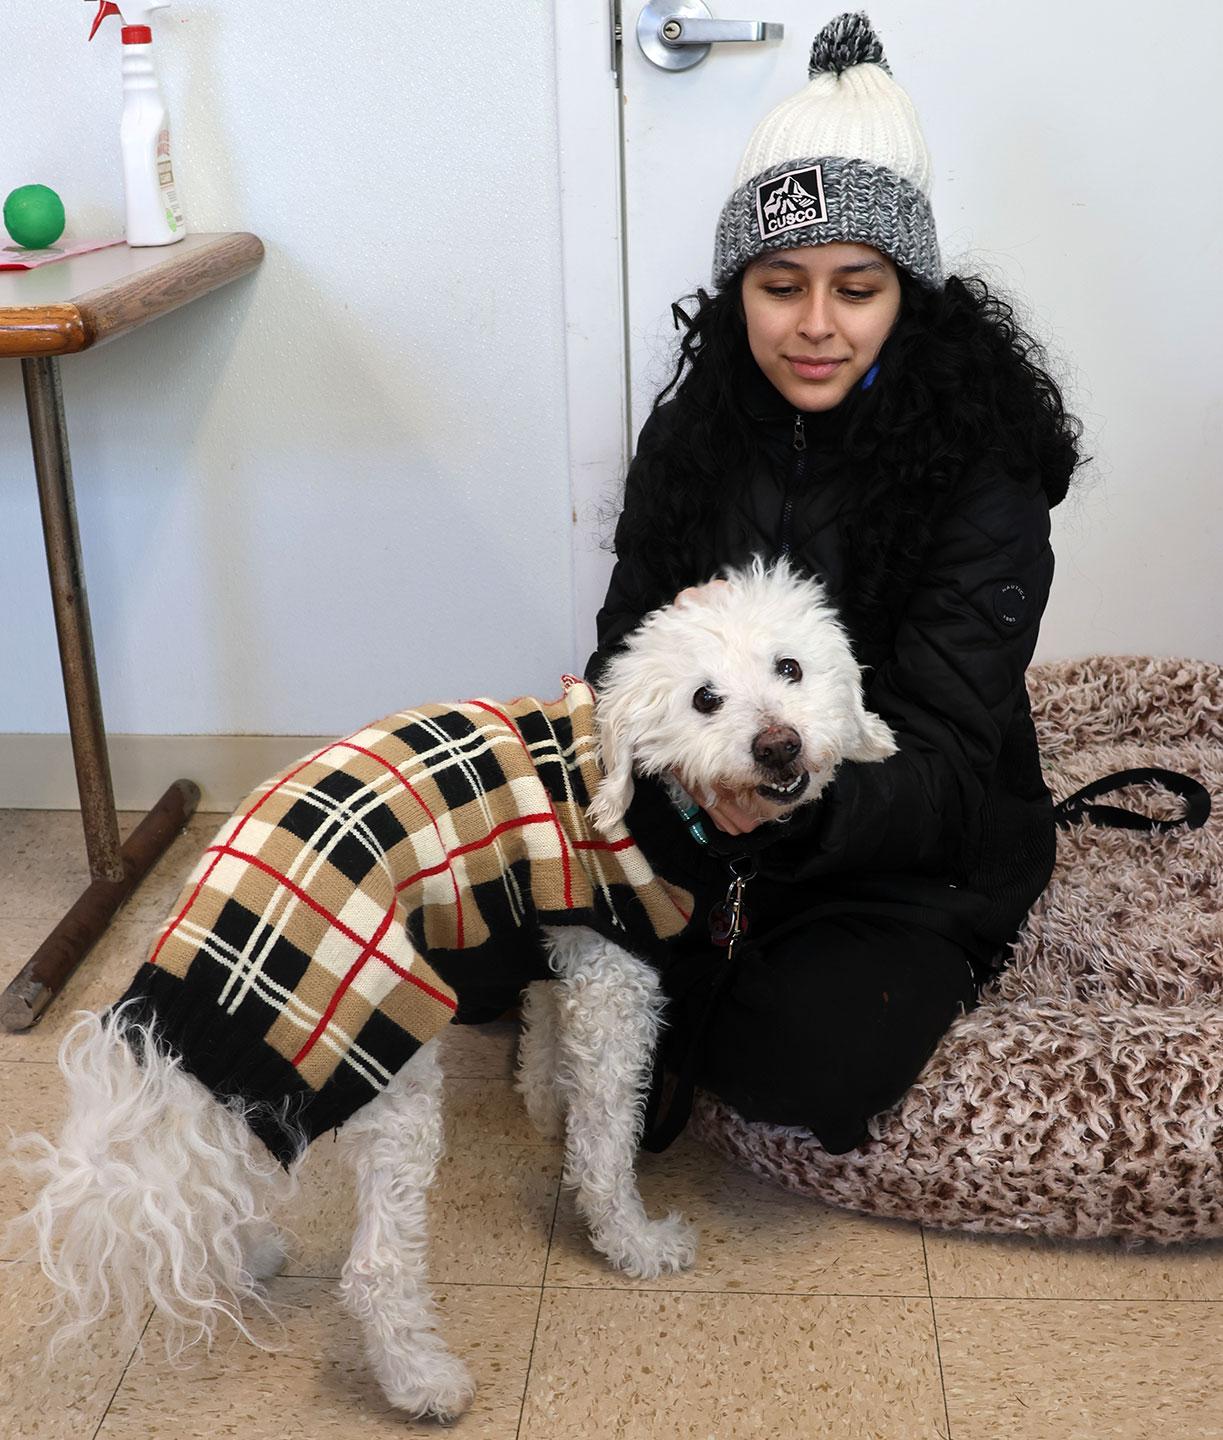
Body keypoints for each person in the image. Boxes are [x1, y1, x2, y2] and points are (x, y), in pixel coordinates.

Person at [584, 12, 1083, 1154]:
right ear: (735, 291)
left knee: (795, 1062)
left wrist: (794, 797)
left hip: (904, 842)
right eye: (778, 285)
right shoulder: (690, 438)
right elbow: (626, 648)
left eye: (854, 288)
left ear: (906, 294)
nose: (813, 326)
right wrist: (689, 779)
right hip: (701, 801)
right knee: (481, 951)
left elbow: (948, 757)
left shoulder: (983, 464)